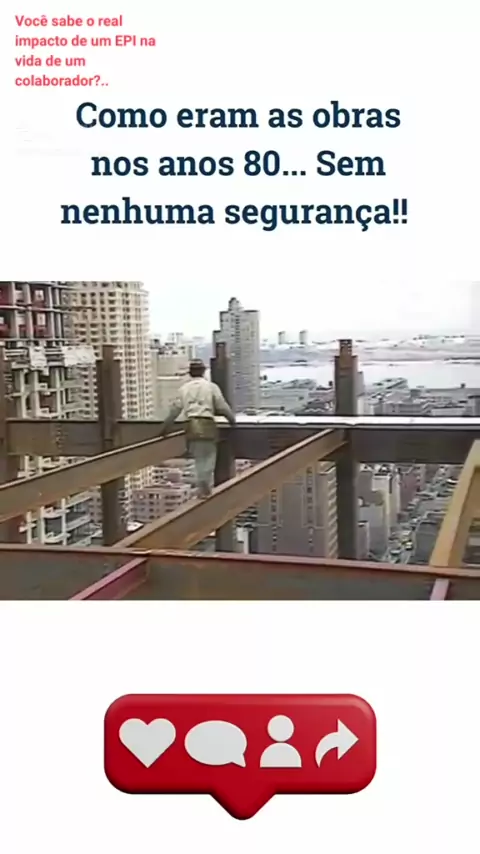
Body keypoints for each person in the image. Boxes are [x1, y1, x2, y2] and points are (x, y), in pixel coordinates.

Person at [158, 359, 236, 498]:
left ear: (190, 373)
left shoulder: (184, 388)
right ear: (203, 371)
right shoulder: (211, 387)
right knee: (208, 458)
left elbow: (175, 410)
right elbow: (222, 406)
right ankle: (205, 487)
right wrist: (232, 420)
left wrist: (165, 428)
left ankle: (202, 487)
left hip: (191, 425)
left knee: (198, 458)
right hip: (206, 424)